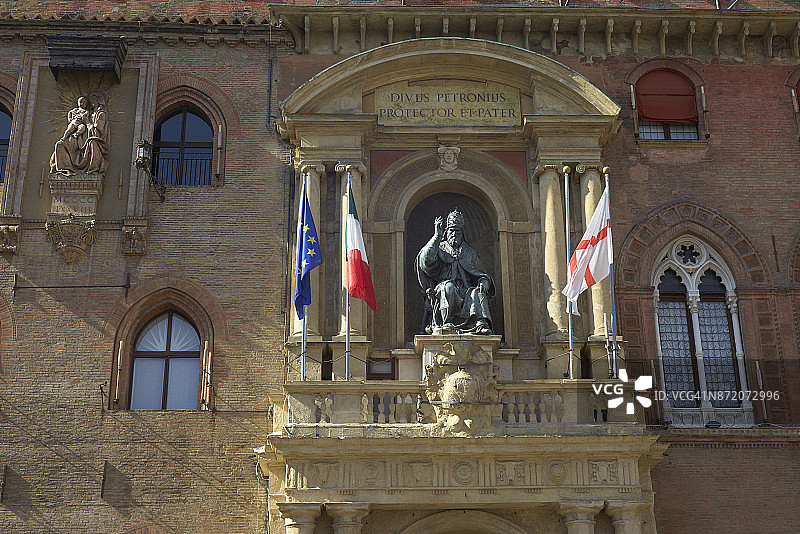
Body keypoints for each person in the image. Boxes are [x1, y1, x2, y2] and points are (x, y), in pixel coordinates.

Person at [416, 207, 495, 335]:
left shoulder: (469, 251)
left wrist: (483, 282)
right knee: (449, 288)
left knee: (476, 292)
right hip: (444, 286)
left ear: (462, 233)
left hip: (466, 288)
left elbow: (481, 273)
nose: (454, 234)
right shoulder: (440, 247)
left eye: (457, 231)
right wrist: (437, 236)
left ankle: (480, 324)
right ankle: (446, 322)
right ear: (446, 232)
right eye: (451, 230)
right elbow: (426, 261)